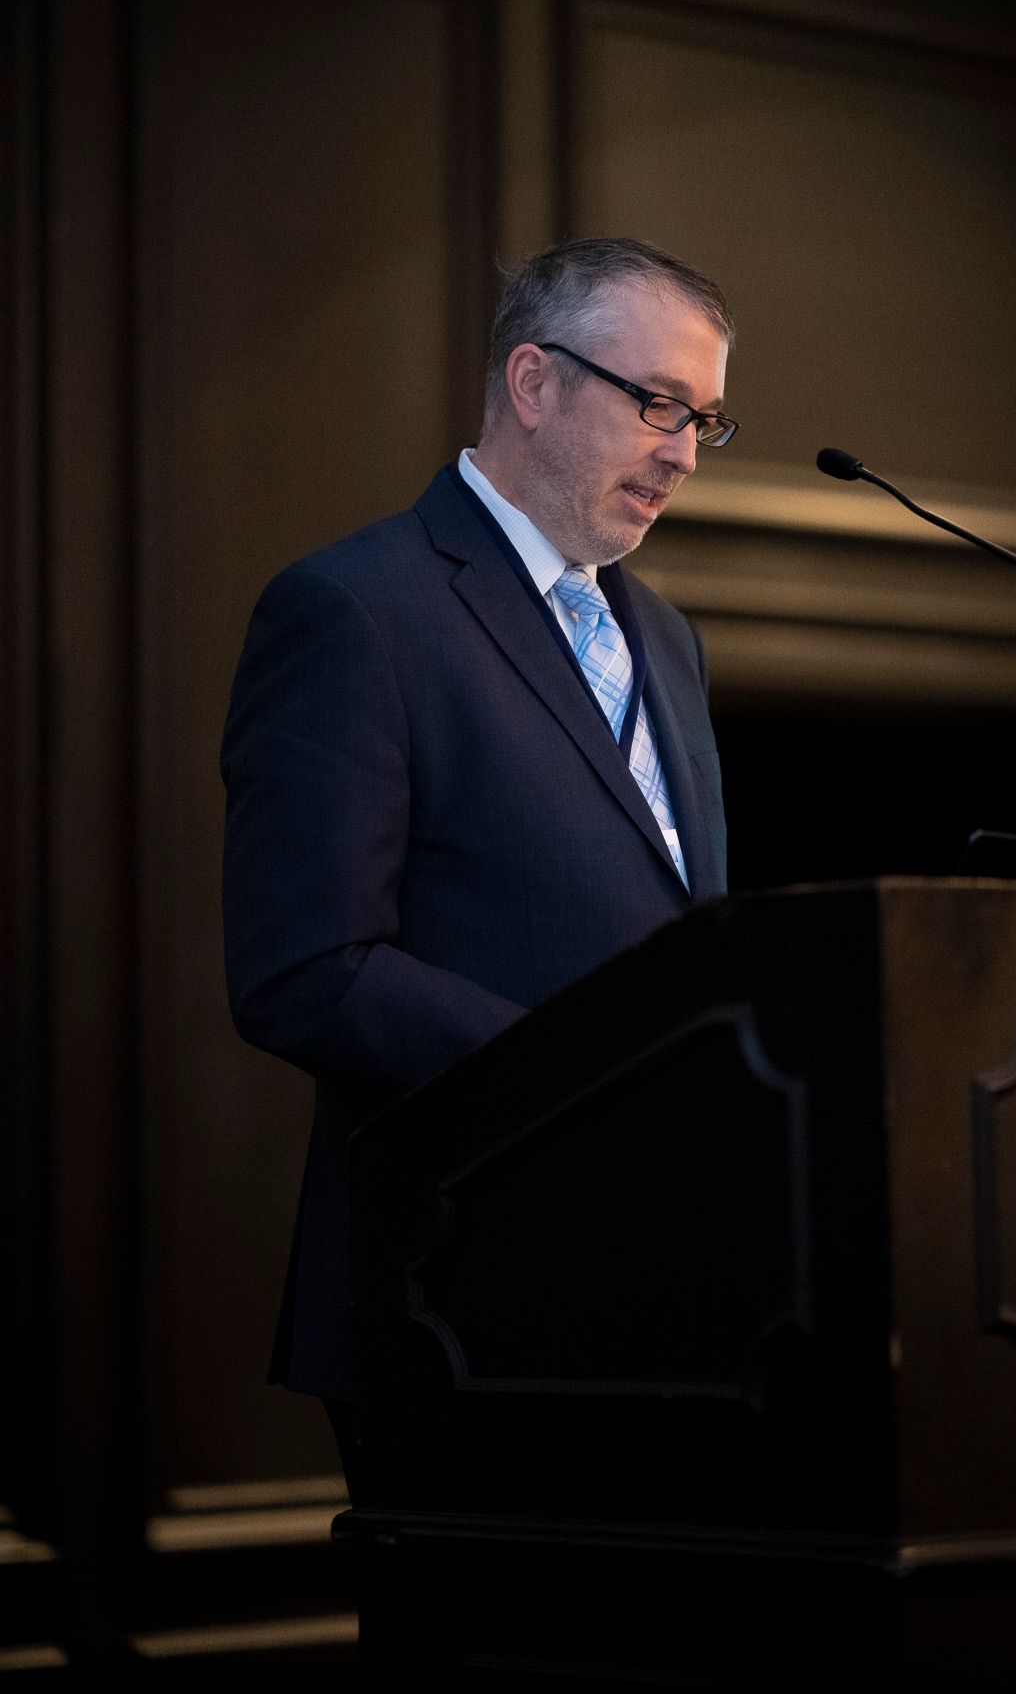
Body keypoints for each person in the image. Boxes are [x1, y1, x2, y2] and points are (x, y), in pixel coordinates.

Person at [221, 237, 736, 1437]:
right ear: (533, 383)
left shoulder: (668, 639)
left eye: (703, 420)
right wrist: (591, 1081)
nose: (678, 451)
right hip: (457, 1300)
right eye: (656, 401)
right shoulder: (356, 609)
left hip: (660, 1302)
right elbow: (306, 970)